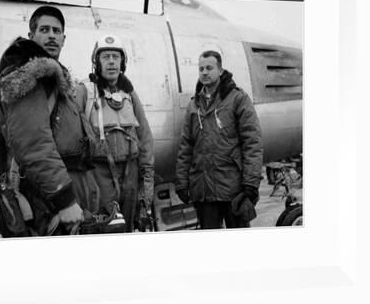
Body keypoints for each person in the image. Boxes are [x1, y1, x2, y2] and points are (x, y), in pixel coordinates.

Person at [0, 5, 100, 235]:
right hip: (47, 205)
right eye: (44, 29)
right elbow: (34, 145)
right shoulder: (29, 76)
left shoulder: (55, 82)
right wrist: (65, 200)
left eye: (56, 30)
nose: (51, 35)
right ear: (31, 36)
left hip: (60, 200)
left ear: (63, 38)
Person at [175, 50, 263, 229]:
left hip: (233, 190)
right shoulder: (194, 106)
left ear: (220, 70)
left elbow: (252, 142)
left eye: (209, 68)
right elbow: (186, 146)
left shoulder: (238, 99)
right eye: (201, 69)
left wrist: (251, 184)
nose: (205, 72)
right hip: (204, 192)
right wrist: (182, 182)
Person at [76, 34, 155, 232]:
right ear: (97, 62)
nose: (111, 61)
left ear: (122, 62)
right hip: (98, 175)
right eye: (105, 56)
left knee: (126, 229)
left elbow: (144, 138)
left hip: (130, 173)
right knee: (103, 230)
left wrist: (146, 187)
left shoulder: (130, 94)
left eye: (116, 57)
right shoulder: (84, 91)